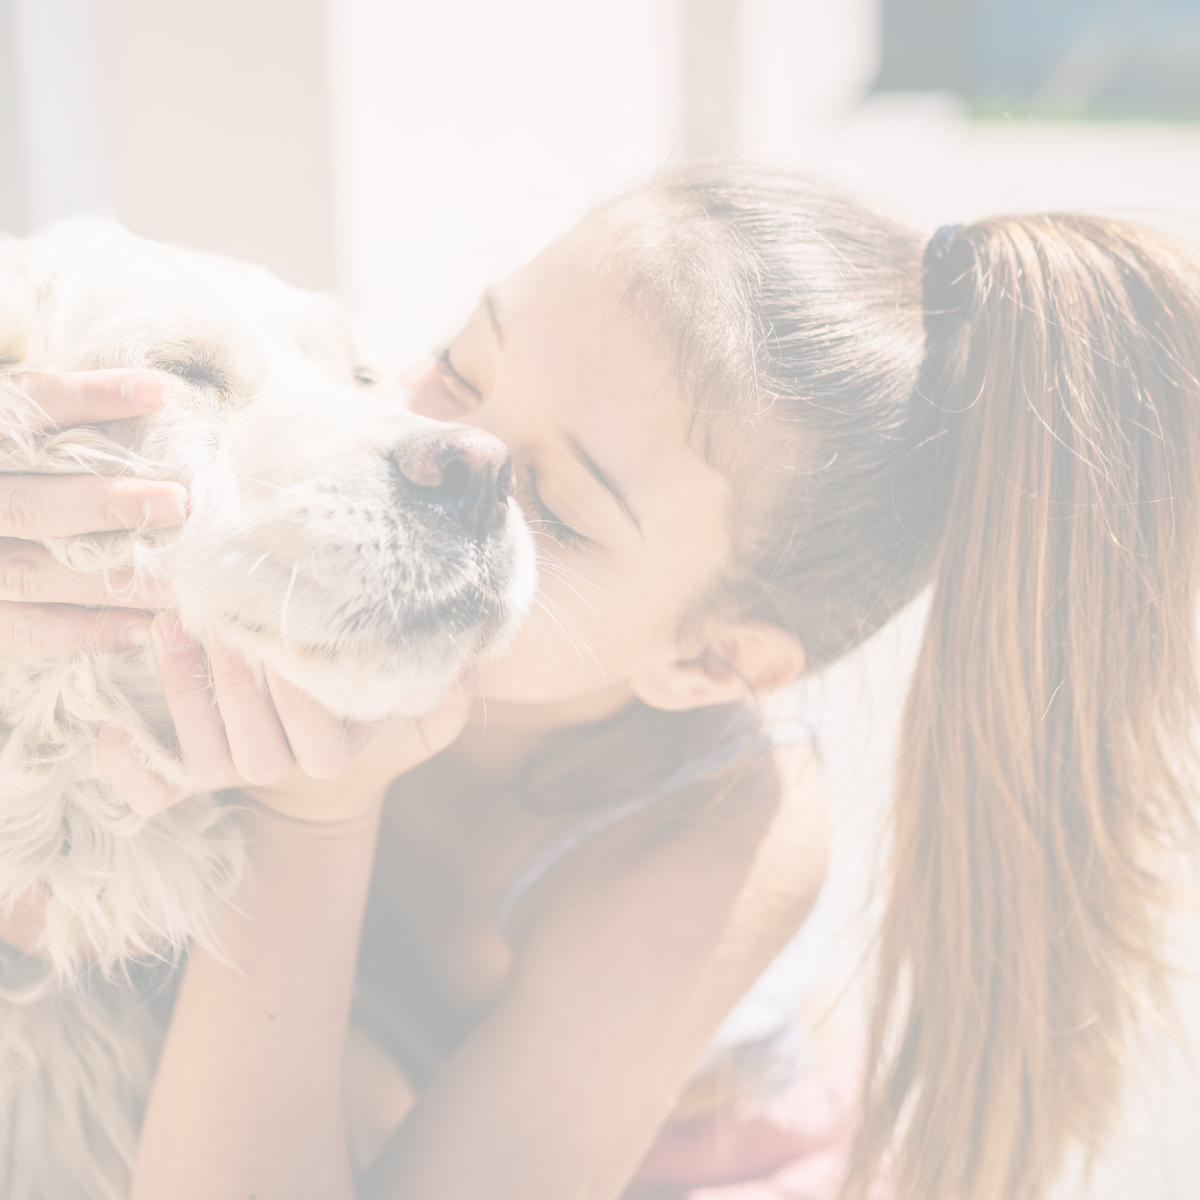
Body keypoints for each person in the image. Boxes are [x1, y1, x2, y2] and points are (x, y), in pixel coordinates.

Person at [1, 162, 1197, 1200]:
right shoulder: (374, 448)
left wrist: (322, 818)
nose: (447, 452)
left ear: (710, 661)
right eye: (464, 364)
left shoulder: (721, 837)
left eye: (561, 514)